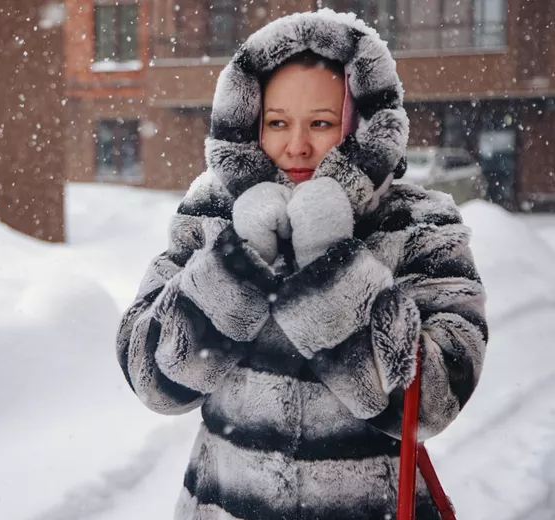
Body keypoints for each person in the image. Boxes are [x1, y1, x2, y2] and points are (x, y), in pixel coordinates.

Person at [115, 9, 488, 520]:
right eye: (277, 123)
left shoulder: (419, 224)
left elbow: (432, 401)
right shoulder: (213, 216)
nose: (297, 145)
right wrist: (236, 263)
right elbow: (152, 377)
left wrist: (331, 263)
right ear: (249, 125)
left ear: (359, 127)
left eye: (321, 123)